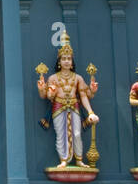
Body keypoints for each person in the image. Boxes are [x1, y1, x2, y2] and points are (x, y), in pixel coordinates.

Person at [37, 37, 99, 169]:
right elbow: (46, 96)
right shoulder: (53, 78)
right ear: (59, 62)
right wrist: (46, 90)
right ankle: (64, 160)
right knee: (61, 134)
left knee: (76, 133)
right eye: (63, 59)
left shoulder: (78, 78)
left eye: (68, 59)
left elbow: (84, 95)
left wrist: (90, 112)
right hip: (59, 107)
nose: (66, 61)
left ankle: (79, 159)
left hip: (74, 107)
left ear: (72, 62)